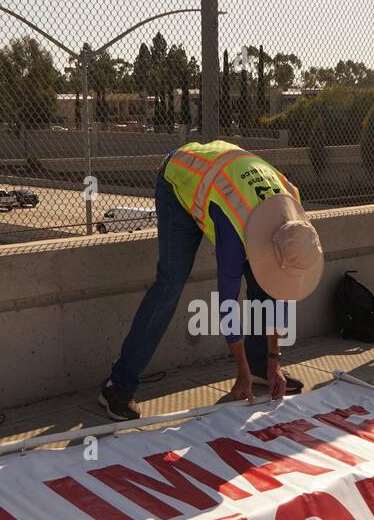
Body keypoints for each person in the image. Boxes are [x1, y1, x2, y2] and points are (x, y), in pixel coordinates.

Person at [98, 141, 324, 421]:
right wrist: (239, 372)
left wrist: (273, 361)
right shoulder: (234, 230)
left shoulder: (293, 213)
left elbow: (273, 292)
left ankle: (260, 366)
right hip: (180, 176)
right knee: (171, 282)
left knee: (262, 285)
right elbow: (226, 302)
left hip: (222, 179)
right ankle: (118, 384)